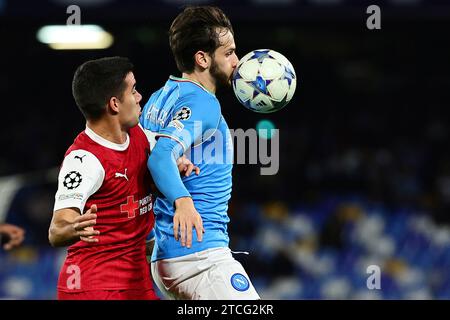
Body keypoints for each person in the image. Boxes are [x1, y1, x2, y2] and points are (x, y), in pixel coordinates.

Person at [48, 56, 195, 300]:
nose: (139, 97)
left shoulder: (140, 136)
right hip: (92, 286)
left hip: (135, 280)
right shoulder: (84, 161)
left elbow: (154, 171)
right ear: (115, 104)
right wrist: (74, 226)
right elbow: (56, 230)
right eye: (134, 90)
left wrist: (175, 167)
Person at [140, 6, 260, 299]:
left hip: (168, 254)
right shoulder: (203, 103)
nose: (237, 61)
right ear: (203, 58)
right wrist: (183, 201)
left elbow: (142, 162)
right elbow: (159, 156)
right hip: (200, 258)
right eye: (229, 53)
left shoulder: (159, 98)